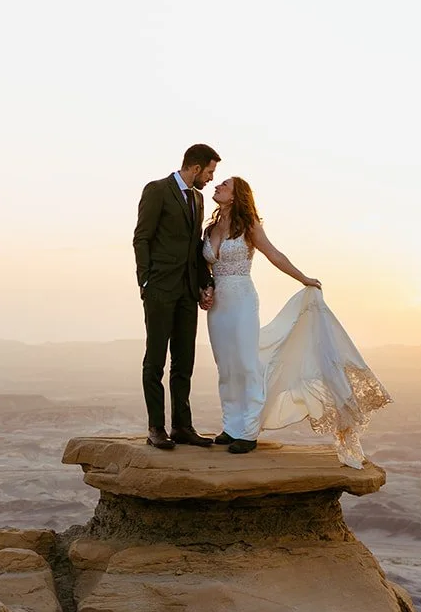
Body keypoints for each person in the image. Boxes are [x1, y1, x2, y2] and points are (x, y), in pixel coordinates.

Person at [203, 176, 392, 467]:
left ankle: (248, 431)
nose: (217, 187)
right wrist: (204, 291)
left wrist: (303, 278)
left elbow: (274, 254)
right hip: (218, 307)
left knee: (246, 363)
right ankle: (231, 427)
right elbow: (203, 268)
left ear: (237, 195)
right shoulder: (212, 228)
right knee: (225, 366)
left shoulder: (249, 225)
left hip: (241, 300)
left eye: (224, 185)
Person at [132, 144, 220, 449]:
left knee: (185, 361)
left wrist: (203, 282)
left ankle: (182, 426)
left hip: (185, 291)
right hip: (159, 288)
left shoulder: (197, 198)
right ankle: (156, 428)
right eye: (209, 171)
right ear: (195, 168)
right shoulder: (157, 190)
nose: (210, 179)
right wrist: (145, 279)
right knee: (155, 360)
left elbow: (195, 247)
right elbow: (142, 236)